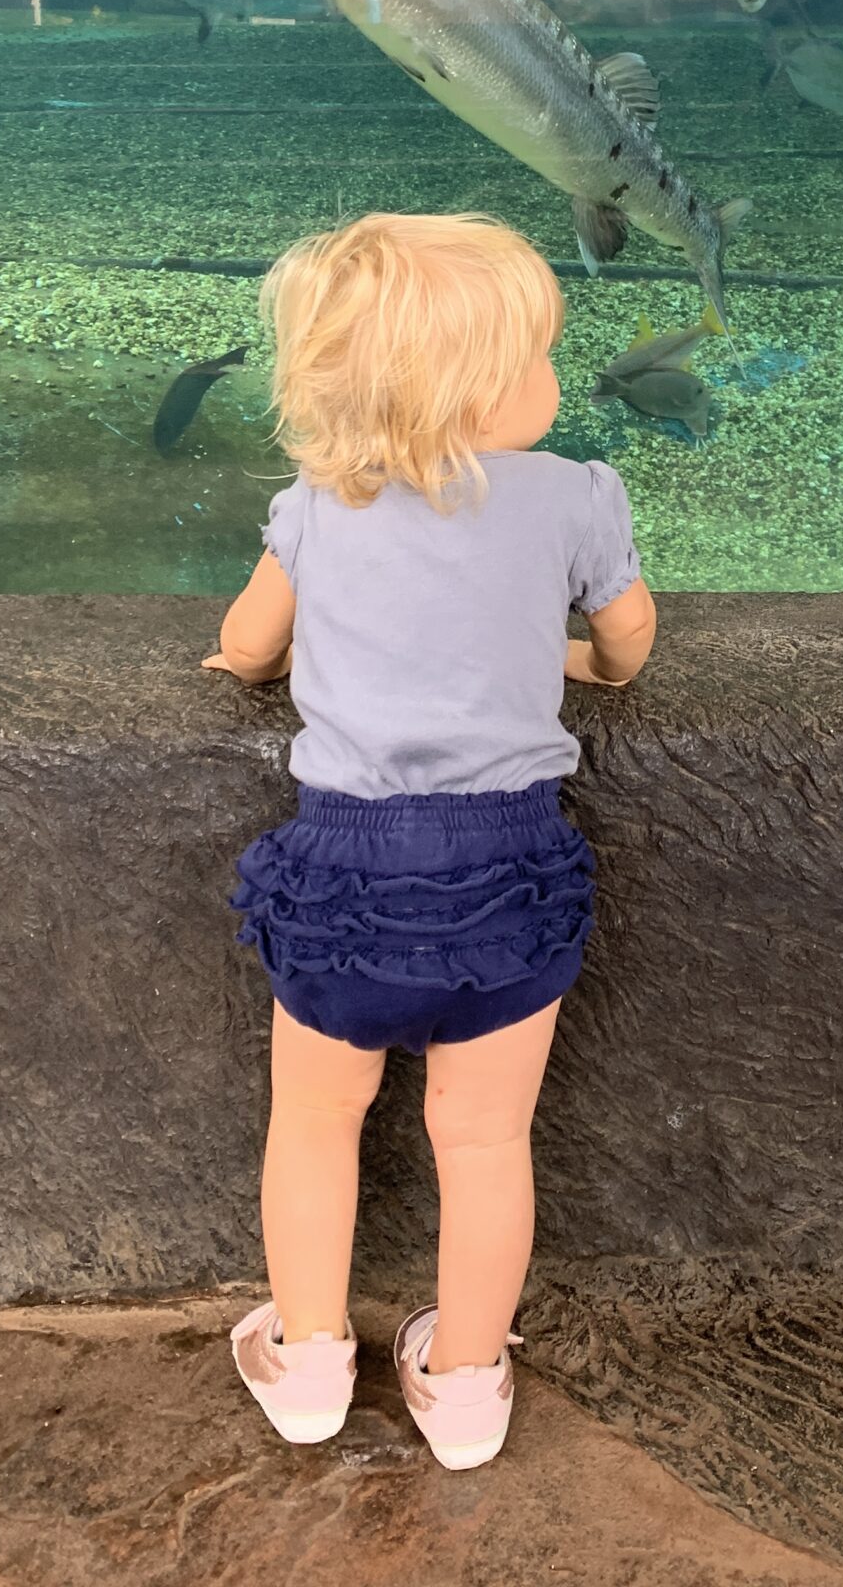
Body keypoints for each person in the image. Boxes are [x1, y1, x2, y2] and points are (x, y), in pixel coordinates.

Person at [204, 212, 656, 1470]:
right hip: (511, 869)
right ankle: (462, 1383)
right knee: (484, 1139)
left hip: (345, 875)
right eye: (539, 356)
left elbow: (249, 644)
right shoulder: (573, 495)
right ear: (480, 388)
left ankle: (305, 1362)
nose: (555, 378)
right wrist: (579, 660)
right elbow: (628, 641)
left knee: (314, 1120)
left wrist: (262, 659)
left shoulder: (315, 504)